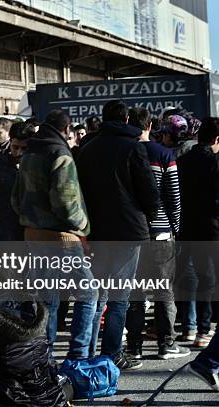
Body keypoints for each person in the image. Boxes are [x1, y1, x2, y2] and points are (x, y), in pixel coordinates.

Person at [77, 100, 160, 370]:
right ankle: (112, 352)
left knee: (97, 293)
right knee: (119, 296)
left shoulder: (87, 149)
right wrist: (148, 214)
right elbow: (148, 191)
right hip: (128, 230)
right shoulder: (134, 148)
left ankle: (86, 351)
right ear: (126, 121)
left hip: (97, 229)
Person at [12, 109, 97, 363]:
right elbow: (66, 202)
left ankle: (45, 361)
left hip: (33, 235)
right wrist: (83, 227)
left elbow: (16, 199)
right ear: (67, 130)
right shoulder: (60, 154)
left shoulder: (30, 153)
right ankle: (78, 356)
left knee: (48, 300)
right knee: (88, 293)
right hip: (61, 238)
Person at [124, 107, 189, 360]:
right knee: (164, 291)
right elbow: (174, 198)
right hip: (161, 232)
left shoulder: (124, 153)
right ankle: (166, 343)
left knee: (136, 292)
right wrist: (175, 228)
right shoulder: (163, 154)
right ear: (150, 125)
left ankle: (134, 346)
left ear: (129, 123)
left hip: (133, 232)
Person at [177, 117, 219, 349]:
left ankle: (189, 329)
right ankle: (204, 330)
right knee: (209, 280)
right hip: (210, 228)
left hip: (186, 225)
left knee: (188, 276)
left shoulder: (182, 160)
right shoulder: (214, 162)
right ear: (216, 139)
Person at [0, 121, 33, 241]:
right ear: (10, 142)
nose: (19, 153)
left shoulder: (39, 167)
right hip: (5, 236)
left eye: (24, 148)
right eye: (15, 147)